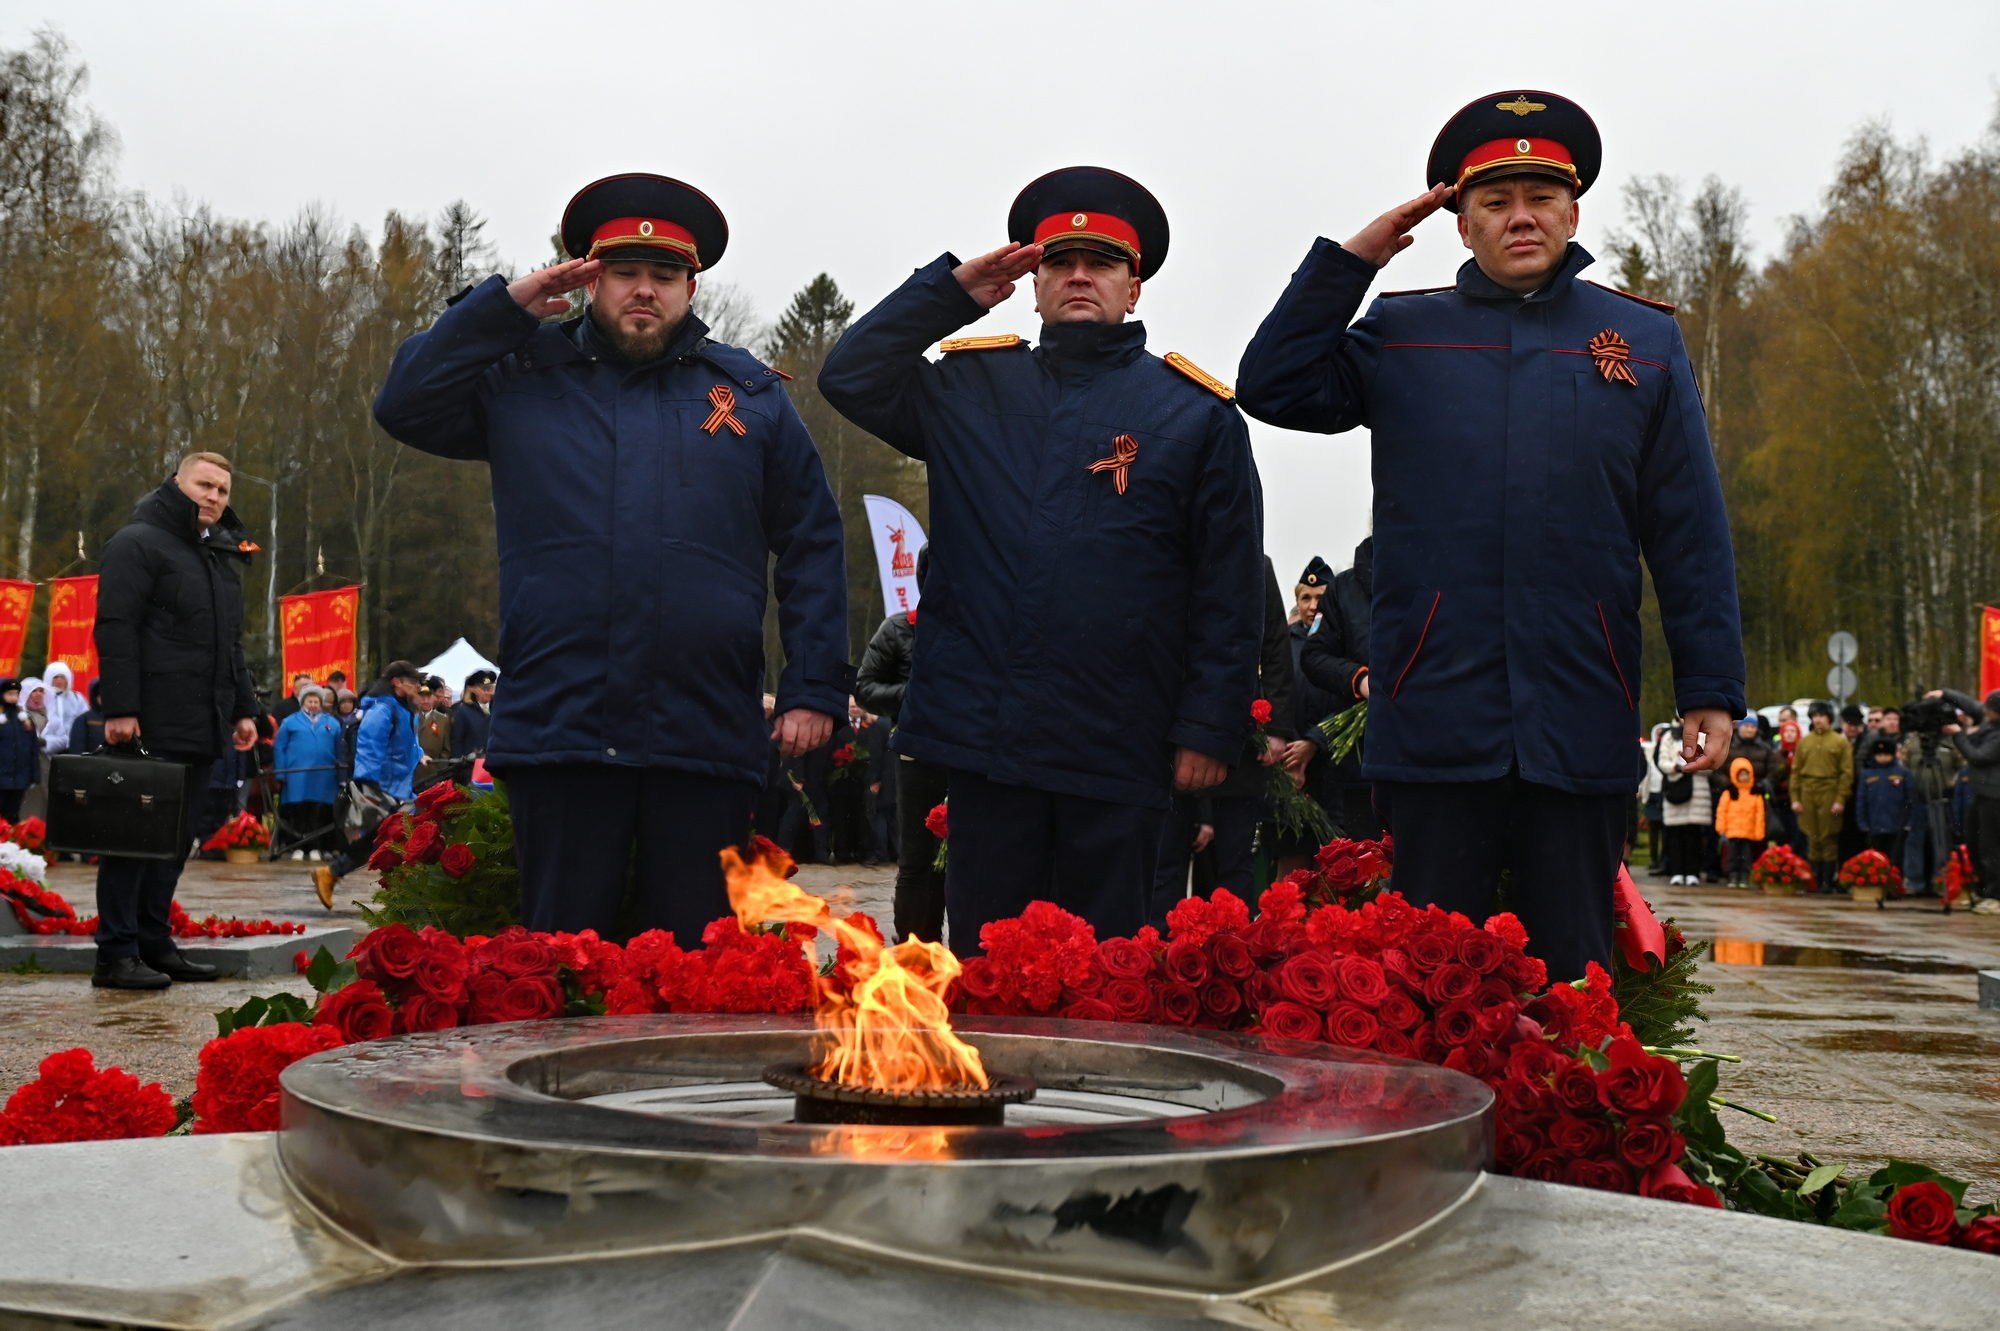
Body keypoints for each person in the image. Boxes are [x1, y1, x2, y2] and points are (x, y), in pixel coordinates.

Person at [1234, 90, 1744, 980]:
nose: (1520, 218)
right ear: (1461, 224)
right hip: (1438, 708)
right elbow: (1271, 385)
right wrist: (1350, 264)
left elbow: (1688, 530)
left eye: (1539, 198)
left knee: (1573, 975)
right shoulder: (1402, 332)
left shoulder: (1643, 340)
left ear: (1572, 209)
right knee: (1434, 975)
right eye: (1494, 202)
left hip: (1582, 701)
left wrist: (1711, 685)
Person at [374, 173, 850, 941]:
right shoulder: (521, 378)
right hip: (564, 727)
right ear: (589, 279)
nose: (643, 291)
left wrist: (816, 685)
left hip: (704, 733)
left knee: (696, 976)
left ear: (691, 287)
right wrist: (502, 309)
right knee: (562, 966)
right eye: (624, 272)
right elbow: (403, 403)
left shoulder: (751, 397)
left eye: (664, 276)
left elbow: (812, 541)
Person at [819, 165, 1262, 950]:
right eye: (1059, 262)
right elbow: (849, 374)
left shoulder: (1194, 416)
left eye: (1103, 264)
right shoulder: (970, 387)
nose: (1080, 276)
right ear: (1034, 281)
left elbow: (1226, 589)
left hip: (1120, 741)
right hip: (989, 742)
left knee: (1109, 978)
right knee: (990, 969)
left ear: (1136, 287)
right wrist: (950, 293)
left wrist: (1209, 726)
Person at [90, 451, 260, 989]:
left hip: (201, 720)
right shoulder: (136, 543)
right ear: (175, 483)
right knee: (133, 839)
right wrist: (120, 707)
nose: (214, 497)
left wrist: (243, 708)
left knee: (175, 841)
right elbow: (116, 627)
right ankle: (115, 954)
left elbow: (229, 643)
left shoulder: (218, 557)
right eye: (204, 485)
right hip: (151, 719)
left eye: (223, 491)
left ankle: (154, 944)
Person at [1152, 557, 1297, 925]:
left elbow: (1275, 647)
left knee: (1235, 862)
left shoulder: (1255, 566)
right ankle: (1158, 961)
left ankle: (1232, 958)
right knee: (1163, 863)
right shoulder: (1166, 554)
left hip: (1240, 737)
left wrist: (1277, 728)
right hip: (1170, 734)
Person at [855, 543, 949, 940]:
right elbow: (864, 688)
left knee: (966, 860)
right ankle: (914, 949)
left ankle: (966, 954)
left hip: (975, 756)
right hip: (917, 756)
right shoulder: (897, 628)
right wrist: (912, 694)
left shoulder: (984, 629)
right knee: (917, 859)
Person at [313, 661, 424, 906]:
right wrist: (369, 785)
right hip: (384, 787)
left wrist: (420, 755)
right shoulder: (384, 709)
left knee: (391, 840)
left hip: (400, 786)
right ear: (396, 682)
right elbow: (369, 747)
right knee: (384, 840)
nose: (418, 685)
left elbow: (406, 746)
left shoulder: (403, 710)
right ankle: (333, 873)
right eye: (413, 681)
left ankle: (334, 873)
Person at [1298, 539, 1380, 841]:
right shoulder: (1344, 590)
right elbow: (1314, 656)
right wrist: (1359, 679)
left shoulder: (1440, 572)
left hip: (1433, 760)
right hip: (1359, 766)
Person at [1937, 688, 2000, 913]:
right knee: (1972, 841)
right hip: (1980, 793)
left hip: (1995, 797)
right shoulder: (1988, 720)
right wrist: (1944, 694)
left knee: (1990, 846)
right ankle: (1982, 888)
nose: (1985, 712)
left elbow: (1978, 756)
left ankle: (1996, 895)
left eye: (1990, 710)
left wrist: (1957, 734)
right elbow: (1972, 705)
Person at [1790, 701, 1854, 892]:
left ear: (1829, 718)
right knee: (1812, 836)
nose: (1817, 720)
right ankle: (1814, 880)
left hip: (1829, 789)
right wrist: (1795, 798)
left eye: (1821, 715)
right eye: (1814, 716)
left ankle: (1827, 880)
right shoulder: (1805, 742)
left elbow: (1846, 773)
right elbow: (1796, 772)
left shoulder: (1840, 741)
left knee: (1828, 837)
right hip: (1808, 790)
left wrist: (1840, 799)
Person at [274, 688, 341, 861]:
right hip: (296, 774)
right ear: (302, 702)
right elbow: (279, 748)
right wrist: (281, 773)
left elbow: (340, 748)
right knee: (297, 811)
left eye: (316, 701)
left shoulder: (332, 723)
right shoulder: (289, 722)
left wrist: (340, 774)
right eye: (309, 701)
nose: (313, 704)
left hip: (323, 776)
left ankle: (316, 847)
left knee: (319, 812)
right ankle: (297, 846)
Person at [1655, 719, 1715, 886]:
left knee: (1694, 835)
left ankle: (1692, 872)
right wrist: (1675, 767)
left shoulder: (1703, 735)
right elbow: (1662, 762)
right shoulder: (1669, 736)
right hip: (1676, 788)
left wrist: (1695, 765)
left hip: (1697, 790)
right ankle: (1676, 871)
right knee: (1675, 835)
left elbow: (1711, 763)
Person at [1853, 736, 1913, 865]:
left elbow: (1910, 798)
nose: (1883, 757)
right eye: (1879, 754)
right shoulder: (1867, 774)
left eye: (1886, 754)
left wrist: (1908, 822)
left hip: (1897, 824)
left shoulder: (1903, 772)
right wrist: (1862, 823)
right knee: (1876, 860)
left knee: (1897, 858)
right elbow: (1861, 800)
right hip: (1875, 824)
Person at [1713, 755, 1766, 888]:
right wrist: (1721, 827)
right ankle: (1732, 876)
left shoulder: (1755, 793)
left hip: (1747, 833)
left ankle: (1744, 877)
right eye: (1740, 775)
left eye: (1746, 774)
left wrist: (1758, 831)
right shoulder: (1729, 793)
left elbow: (1760, 815)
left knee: (1746, 857)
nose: (1743, 777)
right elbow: (1721, 812)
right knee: (1732, 856)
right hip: (1732, 832)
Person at [0, 679, 35, 822]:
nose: (13, 697)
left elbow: (32, 748)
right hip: (2, 776)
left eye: (16, 694)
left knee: (13, 816)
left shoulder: (24, 719)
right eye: (10, 694)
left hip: (19, 778)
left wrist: (34, 774)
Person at [39, 662, 89, 756]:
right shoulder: (41, 697)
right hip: (46, 748)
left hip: (72, 749)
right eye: (56, 677)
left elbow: (84, 720)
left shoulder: (77, 698)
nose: (59, 681)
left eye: (62, 677)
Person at [450, 669, 495, 760]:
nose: (487, 692)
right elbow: (456, 740)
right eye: (483, 689)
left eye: (490, 688)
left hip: (495, 766)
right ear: (473, 689)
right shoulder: (463, 711)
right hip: (471, 766)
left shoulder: (498, 709)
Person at [415, 676, 454, 764]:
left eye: (428, 697)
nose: (425, 701)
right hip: (413, 770)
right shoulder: (410, 717)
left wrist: (439, 766)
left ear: (434, 698)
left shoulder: (443, 720)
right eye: (422, 697)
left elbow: (446, 749)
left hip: (433, 770)